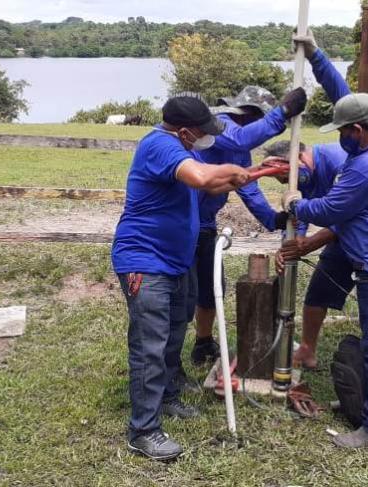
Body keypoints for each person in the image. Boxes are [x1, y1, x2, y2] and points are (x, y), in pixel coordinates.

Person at [281, 30, 368, 448]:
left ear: (357, 131)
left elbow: (328, 210)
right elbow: (346, 95)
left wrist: (295, 204)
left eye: (342, 130)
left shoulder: (363, 168)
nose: (337, 135)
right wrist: (317, 55)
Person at [111, 95, 250, 461]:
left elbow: (209, 186)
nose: (208, 139)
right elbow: (203, 176)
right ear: (186, 132)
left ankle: (168, 393)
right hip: (145, 261)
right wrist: (228, 172)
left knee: (174, 330)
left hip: (174, 260)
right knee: (149, 345)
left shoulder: (180, 147)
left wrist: (253, 173)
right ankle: (143, 430)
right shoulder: (160, 145)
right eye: (203, 134)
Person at [264, 141, 368, 371]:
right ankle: (307, 350)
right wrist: (292, 241)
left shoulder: (340, 163)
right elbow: (299, 206)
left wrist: (310, 243)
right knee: (318, 291)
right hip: (346, 231)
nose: (285, 184)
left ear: (300, 161)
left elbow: (343, 214)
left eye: (285, 179)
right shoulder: (303, 174)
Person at [187, 85, 307, 369]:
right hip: (182, 222)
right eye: (261, 121)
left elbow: (249, 189)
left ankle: (202, 342)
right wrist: (283, 113)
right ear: (251, 115)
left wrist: (272, 219)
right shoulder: (221, 127)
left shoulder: (239, 152)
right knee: (181, 291)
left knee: (209, 287)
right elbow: (241, 139)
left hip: (205, 224)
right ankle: (171, 351)